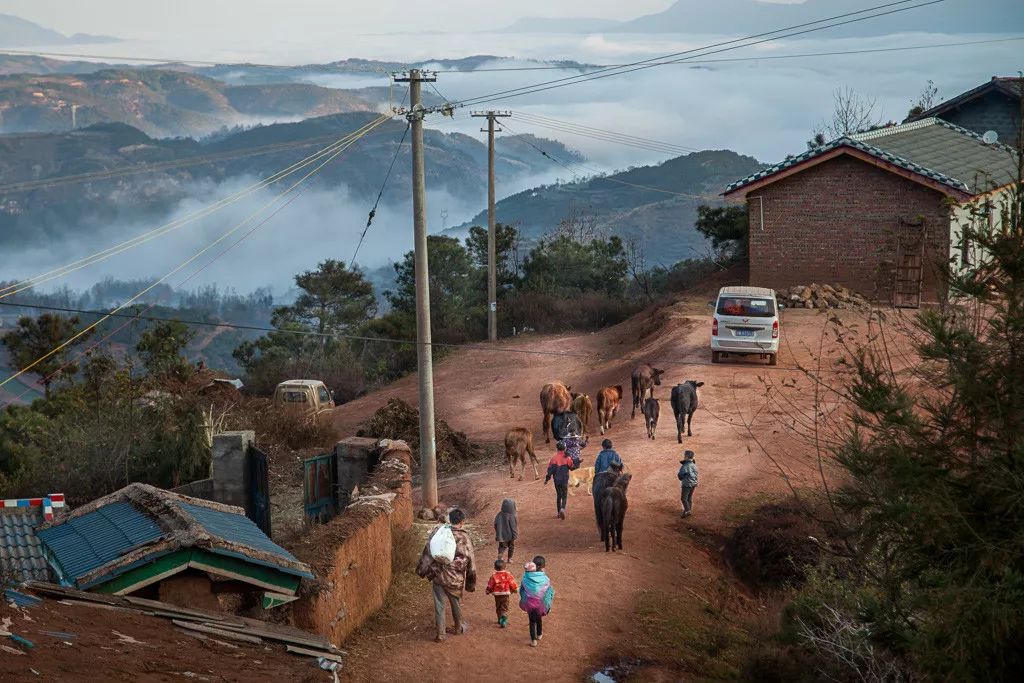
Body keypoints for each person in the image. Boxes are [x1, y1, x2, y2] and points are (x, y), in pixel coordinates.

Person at [415, 508, 477, 642]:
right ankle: (458, 627)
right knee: (455, 603)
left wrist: (422, 570)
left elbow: (427, 552)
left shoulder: (439, 532)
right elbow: (471, 562)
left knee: (439, 605)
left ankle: (440, 634)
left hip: (437, 574)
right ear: (462, 522)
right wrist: (470, 584)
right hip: (455, 579)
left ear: (450, 519)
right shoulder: (463, 537)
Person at [519, 556, 555, 648]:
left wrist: (523, 600)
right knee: (539, 619)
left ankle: (533, 640)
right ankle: (539, 634)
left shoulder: (525, 578)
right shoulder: (545, 579)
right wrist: (547, 604)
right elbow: (549, 592)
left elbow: (522, 590)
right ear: (543, 566)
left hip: (530, 605)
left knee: (532, 621)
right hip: (540, 605)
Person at [545, 441, 577, 519]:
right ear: (565, 448)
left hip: (557, 481)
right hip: (564, 480)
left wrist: (547, 479)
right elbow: (572, 468)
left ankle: (559, 513)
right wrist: (575, 462)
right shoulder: (568, 458)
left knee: (559, 496)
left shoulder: (553, 458)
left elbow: (550, 471)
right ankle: (563, 509)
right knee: (564, 496)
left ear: (557, 449)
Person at [592, 461, 624, 533]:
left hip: (599, 476)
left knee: (598, 505)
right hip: (614, 476)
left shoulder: (600, 455)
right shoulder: (616, 456)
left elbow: (596, 468)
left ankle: (602, 528)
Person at [485, 558, 518, 628]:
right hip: (506, 594)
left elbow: (490, 585)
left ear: (495, 568)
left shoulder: (493, 576)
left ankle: (499, 619)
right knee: (504, 608)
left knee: (498, 607)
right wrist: (515, 589)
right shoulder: (508, 574)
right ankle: (503, 619)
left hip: (497, 595)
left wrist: (488, 590)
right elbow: (512, 583)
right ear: (505, 567)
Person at [677, 450, 699, 517]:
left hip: (687, 484)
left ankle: (687, 510)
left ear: (686, 457)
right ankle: (689, 509)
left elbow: (680, 475)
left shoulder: (686, 465)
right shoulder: (694, 465)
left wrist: (681, 478)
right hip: (693, 483)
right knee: (689, 497)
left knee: (683, 498)